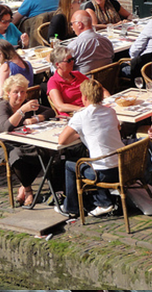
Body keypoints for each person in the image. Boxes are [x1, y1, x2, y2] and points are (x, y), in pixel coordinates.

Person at [56, 79, 124, 218]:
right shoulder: (110, 111)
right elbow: (117, 128)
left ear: (85, 97)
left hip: (105, 172)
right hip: (123, 167)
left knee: (70, 165)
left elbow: (62, 140)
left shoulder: (81, 116)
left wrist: (79, 134)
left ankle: (72, 207)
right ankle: (100, 199)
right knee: (90, 159)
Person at [0, 74, 55, 207]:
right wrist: (22, 111)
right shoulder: (2, 106)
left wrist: (36, 119)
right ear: (8, 93)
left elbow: (50, 112)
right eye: (15, 92)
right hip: (2, 144)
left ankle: (24, 186)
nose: (20, 95)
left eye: (23, 92)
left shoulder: (26, 104)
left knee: (44, 151)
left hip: (22, 141)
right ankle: (28, 189)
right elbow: (6, 126)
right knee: (17, 155)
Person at [47, 47, 90, 115]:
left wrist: (109, 99)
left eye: (72, 59)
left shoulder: (77, 74)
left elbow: (97, 88)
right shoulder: (53, 82)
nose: (72, 62)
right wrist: (82, 109)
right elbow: (60, 106)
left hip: (89, 109)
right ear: (58, 64)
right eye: (68, 60)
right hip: (73, 115)